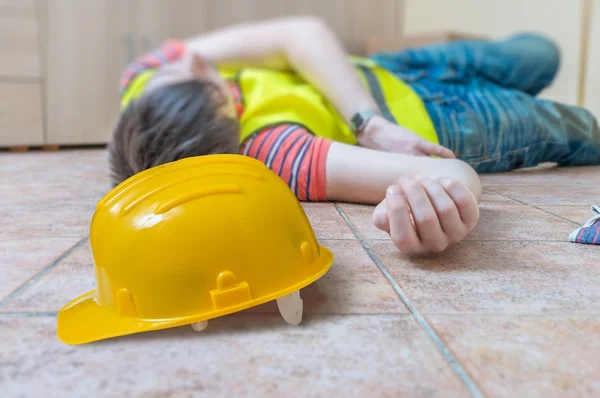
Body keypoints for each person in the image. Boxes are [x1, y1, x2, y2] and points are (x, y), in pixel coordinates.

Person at [110, 17, 600, 255]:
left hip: (381, 72)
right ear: (226, 126)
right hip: (448, 125)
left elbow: (300, 33)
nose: (195, 58)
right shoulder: (271, 152)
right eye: (206, 82)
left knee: (541, 52)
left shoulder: (146, 73)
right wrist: (438, 202)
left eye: (170, 72)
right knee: (585, 128)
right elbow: (449, 171)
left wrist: (370, 123)